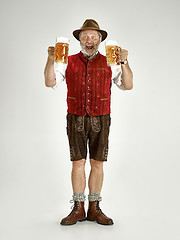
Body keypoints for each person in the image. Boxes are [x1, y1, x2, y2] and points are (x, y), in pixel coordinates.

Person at [44, 19, 133, 226]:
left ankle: (94, 208)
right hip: (75, 116)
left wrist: (125, 62)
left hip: (101, 117)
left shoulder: (112, 61)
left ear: (100, 40)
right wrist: (50, 59)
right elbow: (50, 82)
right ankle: (78, 207)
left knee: (97, 163)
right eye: (85, 37)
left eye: (93, 36)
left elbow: (128, 85)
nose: (89, 40)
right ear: (79, 41)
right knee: (78, 163)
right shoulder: (67, 60)